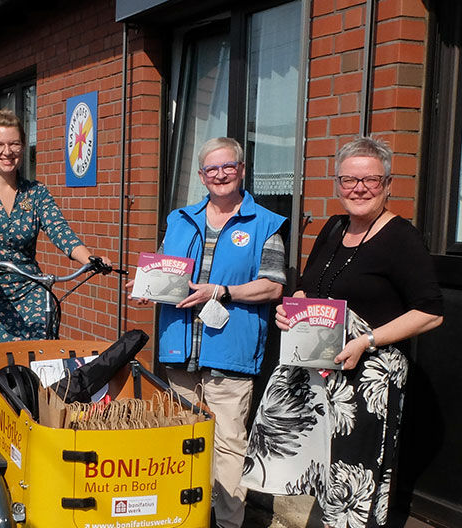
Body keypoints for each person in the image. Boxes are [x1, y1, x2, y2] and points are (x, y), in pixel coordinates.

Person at [242, 136, 444, 528]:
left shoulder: (401, 237)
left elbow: (430, 312)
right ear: (337, 185)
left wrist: (367, 340)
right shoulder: (334, 227)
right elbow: (309, 288)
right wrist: (292, 310)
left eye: (371, 180)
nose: (359, 189)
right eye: (349, 180)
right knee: (323, 470)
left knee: (356, 476)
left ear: (388, 184)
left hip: (368, 380)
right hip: (322, 373)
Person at [136, 137, 287, 528]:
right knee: (181, 441)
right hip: (179, 354)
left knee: (228, 447)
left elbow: (273, 286)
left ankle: (228, 524)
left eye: (228, 167)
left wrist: (223, 291)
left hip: (230, 354)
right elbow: (167, 272)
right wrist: (148, 290)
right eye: (211, 169)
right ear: (201, 175)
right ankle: (185, 517)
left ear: (241, 169)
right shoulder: (180, 219)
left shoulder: (265, 224)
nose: (220, 175)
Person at [0, 109, 98, 465]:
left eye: (15, 144)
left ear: (24, 147)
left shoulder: (36, 193)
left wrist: (88, 258)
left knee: (39, 361)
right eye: (0, 144)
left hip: (29, 288)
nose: (7, 152)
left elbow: (60, 230)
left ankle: (24, 431)